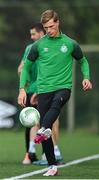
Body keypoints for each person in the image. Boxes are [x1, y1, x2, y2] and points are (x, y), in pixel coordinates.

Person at [18, 10, 92, 176]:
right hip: (43, 91)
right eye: (46, 27)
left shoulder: (70, 43)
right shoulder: (38, 45)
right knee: (46, 132)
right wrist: (23, 89)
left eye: (51, 26)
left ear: (58, 23)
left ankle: (43, 128)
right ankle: (52, 166)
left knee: (56, 106)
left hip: (63, 88)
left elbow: (83, 61)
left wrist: (86, 77)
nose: (49, 30)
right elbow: (26, 67)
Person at [18, 22, 62, 165]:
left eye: (33, 34)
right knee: (49, 120)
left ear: (41, 33)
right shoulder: (37, 47)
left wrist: (24, 84)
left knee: (36, 121)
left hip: (40, 89)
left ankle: (32, 152)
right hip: (42, 89)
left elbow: (21, 69)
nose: (31, 37)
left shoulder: (36, 48)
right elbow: (22, 69)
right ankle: (52, 153)